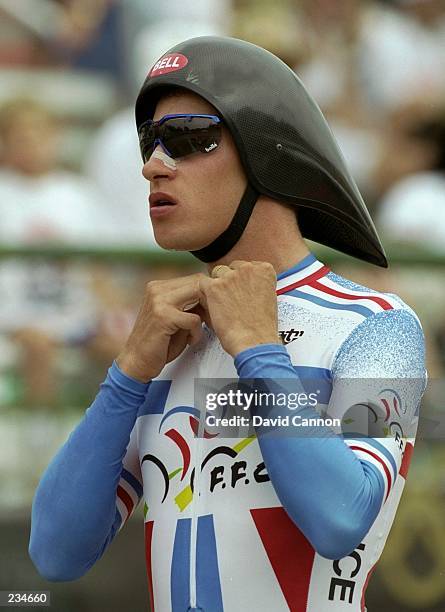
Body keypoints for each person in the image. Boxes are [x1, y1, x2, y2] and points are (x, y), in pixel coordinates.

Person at [29, 36, 426, 611]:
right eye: (149, 142)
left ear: (267, 149)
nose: (151, 166)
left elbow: (340, 519)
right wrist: (127, 373)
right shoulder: (168, 342)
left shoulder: (378, 326)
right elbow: (57, 553)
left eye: (186, 138)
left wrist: (258, 350)